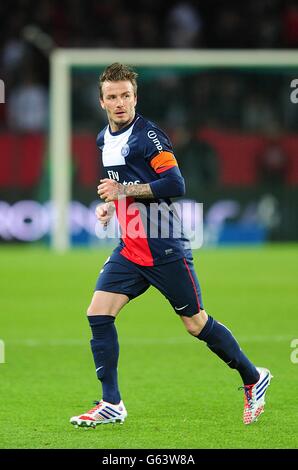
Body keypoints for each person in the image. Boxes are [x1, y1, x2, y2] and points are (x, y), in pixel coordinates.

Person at [70, 63, 272, 428]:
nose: (120, 103)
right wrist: (109, 205)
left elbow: (175, 184)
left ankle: (253, 377)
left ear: (136, 97)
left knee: (196, 323)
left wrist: (123, 192)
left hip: (163, 246)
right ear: (101, 101)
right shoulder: (103, 139)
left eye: (126, 96)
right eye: (113, 97)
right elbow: (122, 183)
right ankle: (112, 402)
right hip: (130, 247)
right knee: (98, 313)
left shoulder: (149, 137)